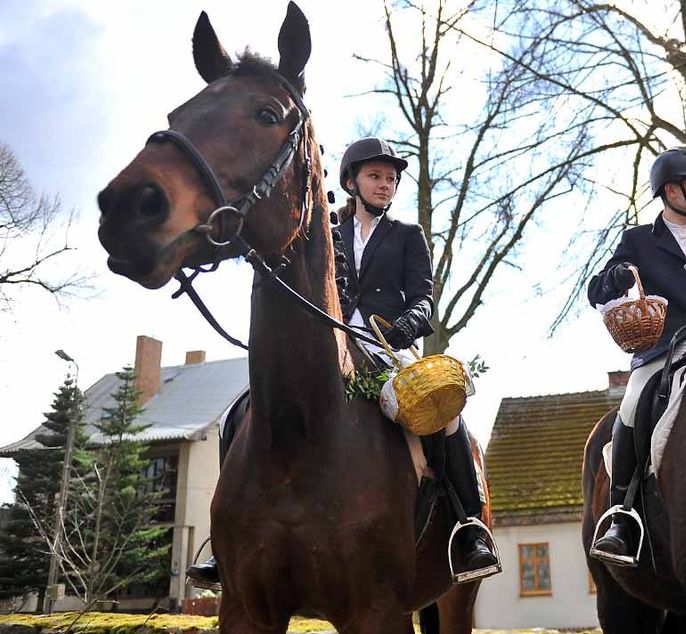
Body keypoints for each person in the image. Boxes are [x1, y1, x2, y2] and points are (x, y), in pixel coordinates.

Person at [186, 138, 499, 588]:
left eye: (391, 179)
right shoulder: (326, 232)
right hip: (326, 345)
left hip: (387, 348)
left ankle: (469, 528)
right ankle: (224, 541)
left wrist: (400, 330)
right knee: (239, 413)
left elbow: (424, 301)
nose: (385, 185)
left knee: (448, 416)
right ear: (351, 180)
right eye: (375, 176)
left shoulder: (409, 236)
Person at [586, 146, 686, 567]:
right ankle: (623, 514)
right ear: (672, 191)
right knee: (631, 411)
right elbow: (596, 293)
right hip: (660, 352)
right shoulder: (636, 240)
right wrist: (614, 277)